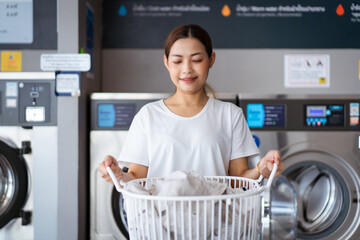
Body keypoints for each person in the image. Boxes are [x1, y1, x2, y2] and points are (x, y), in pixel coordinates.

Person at [98, 24, 284, 185]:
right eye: (177, 61)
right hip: (160, 222)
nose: (187, 69)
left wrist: (261, 169)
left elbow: (238, 179)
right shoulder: (148, 116)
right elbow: (137, 178)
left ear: (211, 59)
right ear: (166, 62)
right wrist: (118, 175)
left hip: (216, 222)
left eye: (196, 60)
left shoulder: (230, 115)